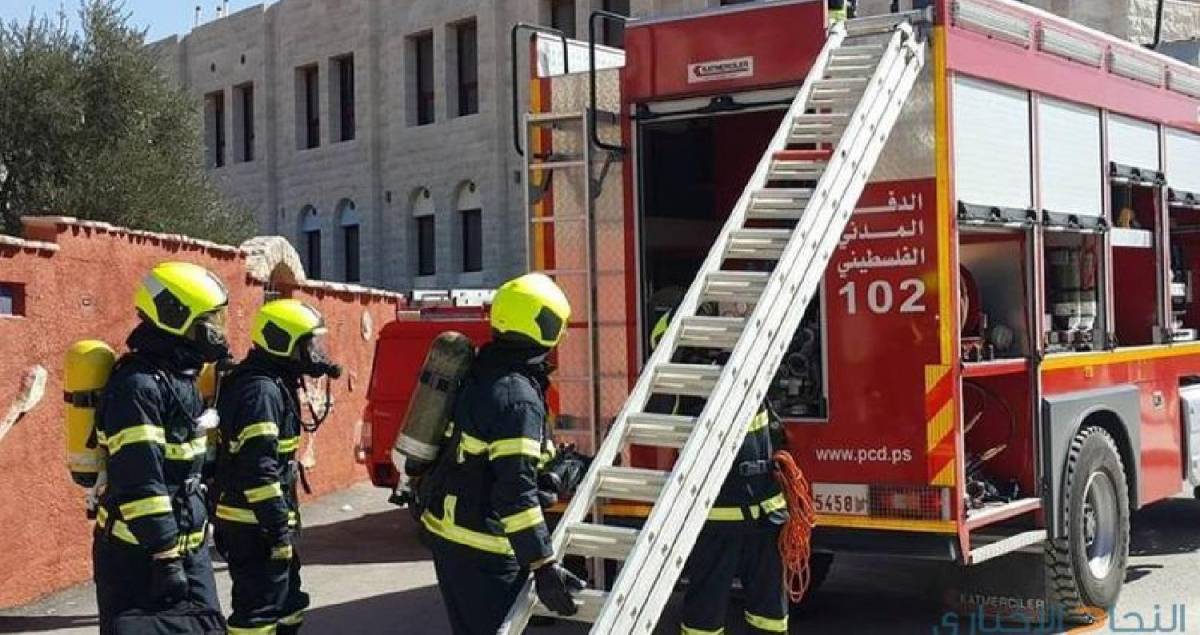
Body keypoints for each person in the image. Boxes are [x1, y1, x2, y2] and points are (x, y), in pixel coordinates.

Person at [421, 272, 585, 634]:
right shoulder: (517, 398)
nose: (562, 336)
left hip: (451, 536)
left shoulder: (484, 370)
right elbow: (513, 491)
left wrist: (548, 472)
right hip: (485, 548)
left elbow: (486, 455)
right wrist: (543, 565)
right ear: (543, 326)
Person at [93, 262, 230, 634]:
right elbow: (141, 480)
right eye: (210, 320)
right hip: (141, 556)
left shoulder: (179, 378)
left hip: (187, 550)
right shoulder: (137, 387)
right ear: (175, 315)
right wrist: (165, 554)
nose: (218, 330)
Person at [648, 309, 791, 635]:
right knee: (705, 614)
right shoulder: (675, 388)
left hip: (764, 517)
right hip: (715, 521)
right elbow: (659, 413)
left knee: (770, 615)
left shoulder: (745, 370)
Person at [213, 299, 342, 635]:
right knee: (258, 614)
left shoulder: (274, 382)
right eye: (308, 345)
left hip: (264, 519)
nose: (315, 353)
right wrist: (277, 530)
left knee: (288, 604)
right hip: (253, 523)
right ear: (283, 342)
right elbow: (259, 471)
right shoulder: (261, 391)